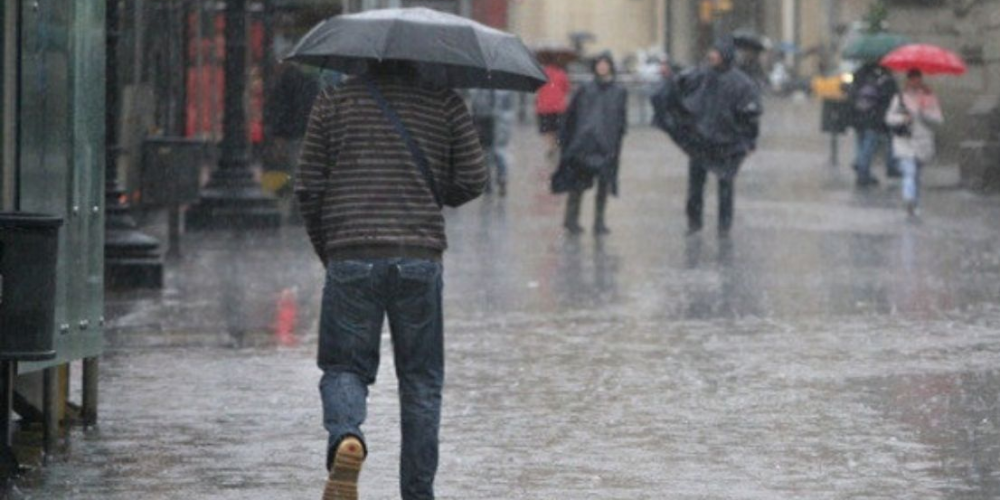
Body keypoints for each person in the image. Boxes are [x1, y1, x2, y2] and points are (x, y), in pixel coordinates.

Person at [295, 60, 487, 500]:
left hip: (351, 251)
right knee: (421, 381)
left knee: (345, 367)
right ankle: (418, 493)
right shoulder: (445, 102)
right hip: (418, 255)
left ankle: (347, 436)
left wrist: (329, 248)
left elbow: (308, 185)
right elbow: (473, 179)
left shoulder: (334, 101)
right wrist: (430, 189)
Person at [671, 37, 762, 235]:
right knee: (695, 186)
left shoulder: (741, 83)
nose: (711, 55)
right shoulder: (701, 76)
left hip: (727, 143)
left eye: (716, 52)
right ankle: (694, 223)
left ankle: (724, 226)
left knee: (725, 186)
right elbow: (681, 90)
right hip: (700, 141)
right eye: (711, 51)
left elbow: (750, 115)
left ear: (725, 55)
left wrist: (749, 141)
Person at [551, 52, 628, 235]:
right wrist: (568, 138)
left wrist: (616, 138)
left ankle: (599, 222)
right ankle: (571, 220)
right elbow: (572, 115)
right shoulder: (585, 89)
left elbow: (620, 118)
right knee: (577, 185)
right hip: (584, 144)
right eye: (599, 64)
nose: (602, 67)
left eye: (605, 64)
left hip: (606, 145)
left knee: (603, 185)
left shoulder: (619, 91)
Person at [885, 69, 943, 217]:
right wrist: (903, 118)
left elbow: (938, 119)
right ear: (908, 80)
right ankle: (909, 199)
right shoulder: (899, 97)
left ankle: (915, 202)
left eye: (918, 79)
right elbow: (889, 118)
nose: (915, 83)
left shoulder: (929, 97)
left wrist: (924, 113)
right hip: (904, 140)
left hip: (923, 141)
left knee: (916, 174)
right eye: (912, 79)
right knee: (909, 171)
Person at [848, 62, 900, 187]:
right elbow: (890, 99)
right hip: (874, 118)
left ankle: (861, 167)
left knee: (861, 144)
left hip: (858, 116)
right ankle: (863, 172)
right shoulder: (885, 79)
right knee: (869, 145)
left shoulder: (859, 75)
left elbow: (851, 95)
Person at [470, 88, 517, 196]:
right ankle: (497, 180)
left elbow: (475, 108)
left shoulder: (478, 88)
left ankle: (496, 180)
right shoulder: (504, 89)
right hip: (491, 123)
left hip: (492, 123)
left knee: (492, 153)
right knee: (494, 153)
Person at [535, 61, 572, 162]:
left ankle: (550, 146)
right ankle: (555, 145)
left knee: (546, 130)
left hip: (543, 107)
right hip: (558, 107)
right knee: (557, 129)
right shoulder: (562, 74)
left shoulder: (540, 73)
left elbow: (536, 88)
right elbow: (567, 89)